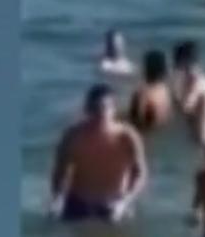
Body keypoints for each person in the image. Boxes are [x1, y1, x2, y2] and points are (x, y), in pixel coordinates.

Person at [49, 84, 148, 224]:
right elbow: (60, 171)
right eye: (93, 108)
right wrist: (57, 199)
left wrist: (125, 201)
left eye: (104, 108)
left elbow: (140, 173)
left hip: (114, 204)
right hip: (78, 204)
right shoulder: (72, 136)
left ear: (114, 109)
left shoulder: (127, 137)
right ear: (86, 110)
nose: (99, 113)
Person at [173, 40, 205, 146]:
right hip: (204, 140)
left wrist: (175, 91)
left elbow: (185, 108)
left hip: (204, 142)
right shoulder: (201, 80)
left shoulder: (198, 82)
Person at [127, 50, 173, 133]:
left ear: (147, 68)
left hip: (147, 134)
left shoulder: (141, 93)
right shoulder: (165, 89)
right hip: (162, 131)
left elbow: (134, 123)